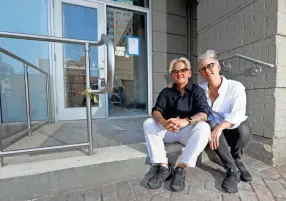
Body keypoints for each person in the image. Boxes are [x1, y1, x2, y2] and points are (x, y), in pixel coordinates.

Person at [143, 57, 211, 192]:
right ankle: (163, 167)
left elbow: (204, 113)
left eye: (183, 70)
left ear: (190, 73)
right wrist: (163, 122)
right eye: (175, 71)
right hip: (168, 130)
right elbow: (156, 110)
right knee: (149, 123)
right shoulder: (166, 92)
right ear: (171, 75)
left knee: (204, 127)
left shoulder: (197, 91)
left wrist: (185, 121)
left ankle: (181, 168)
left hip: (186, 131)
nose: (179, 74)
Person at [198, 50, 252, 194]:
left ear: (218, 67)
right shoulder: (200, 90)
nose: (207, 70)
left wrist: (221, 126)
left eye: (210, 66)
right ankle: (232, 169)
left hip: (229, 129)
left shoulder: (236, 87)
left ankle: (237, 159)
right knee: (209, 124)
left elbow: (238, 113)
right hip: (213, 132)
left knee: (244, 130)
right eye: (203, 69)